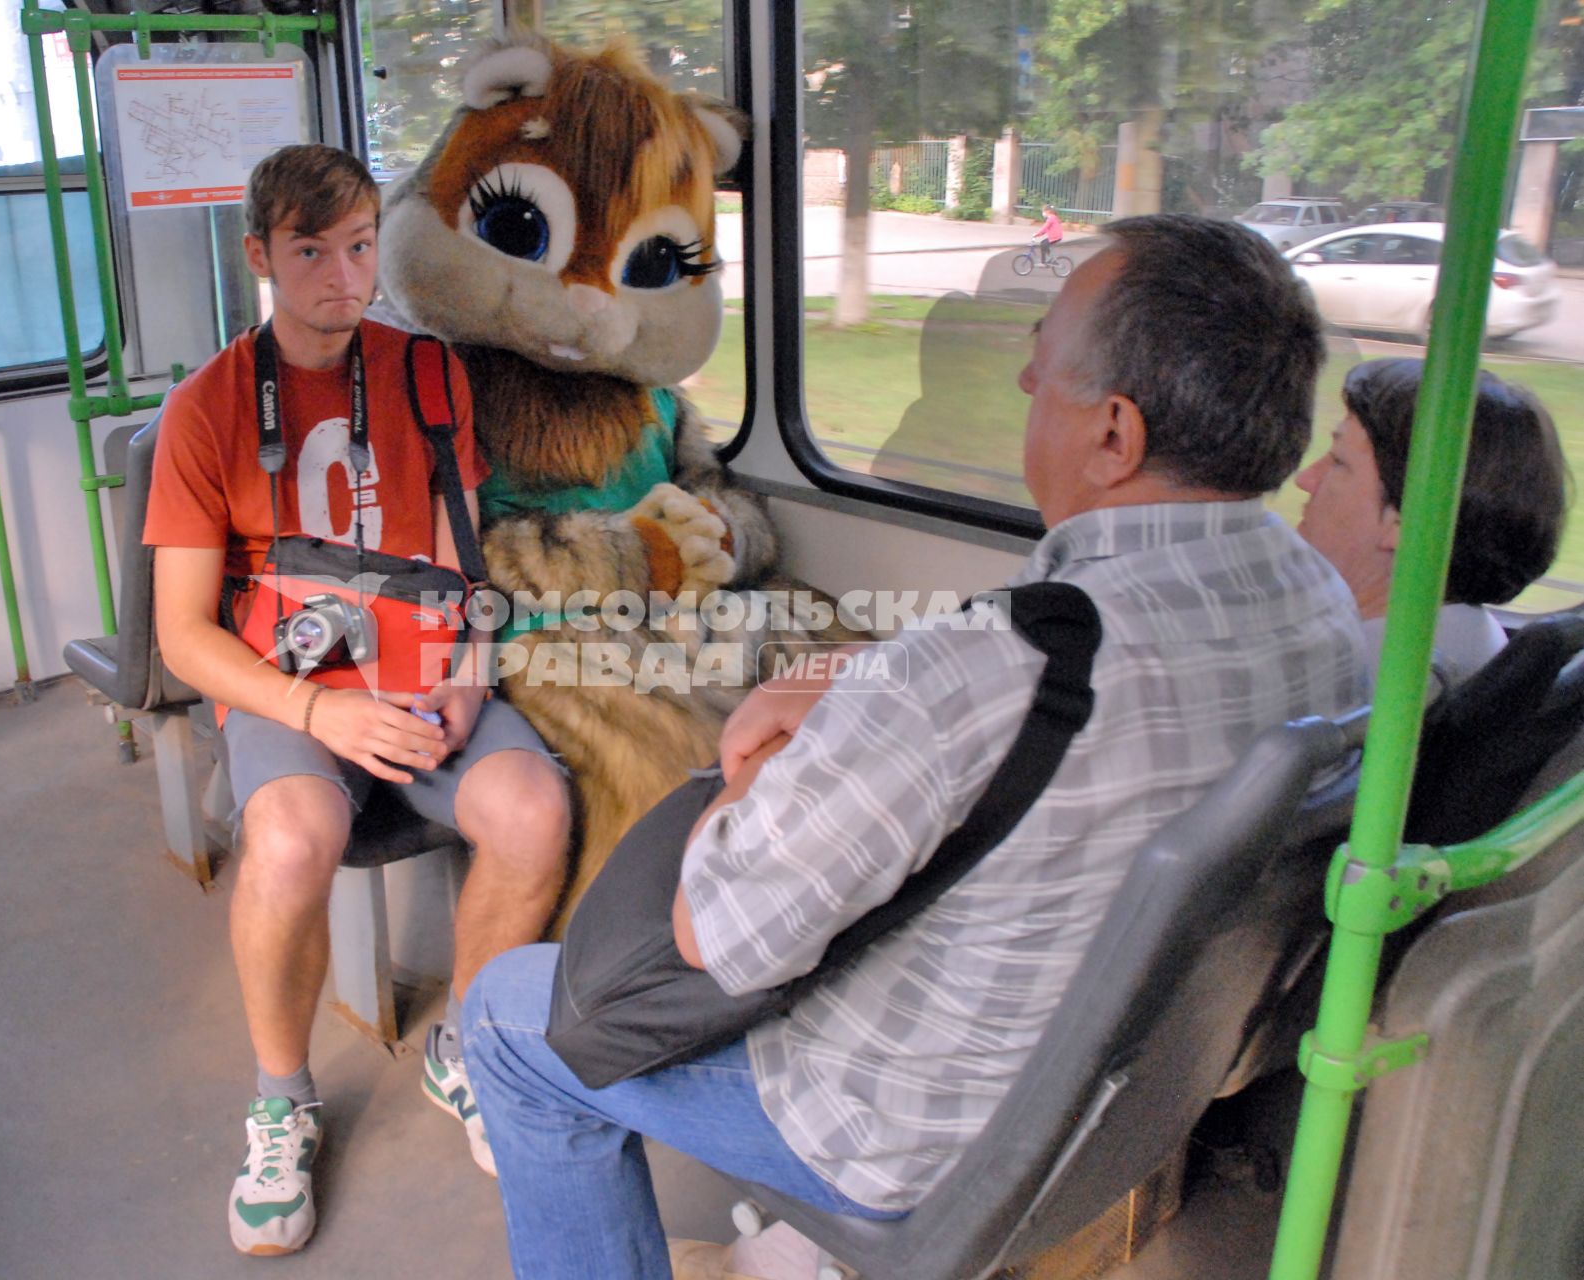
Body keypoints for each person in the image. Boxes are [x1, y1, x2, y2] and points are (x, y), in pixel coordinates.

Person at [457, 214, 1369, 1280]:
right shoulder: (1324, 611)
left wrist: (751, 755)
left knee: (510, 1015)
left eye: (1043, 371)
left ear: (1114, 435)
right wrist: (873, 685)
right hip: (1119, 1098)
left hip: (895, 1132)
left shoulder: (985, 670)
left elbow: (715, 934)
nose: (1025, 385)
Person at [143, 144, 571, 1256]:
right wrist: (322, 714)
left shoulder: (429, 376)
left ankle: (467, 1049)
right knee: (292, 834)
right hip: (293, 695)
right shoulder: (206, 410)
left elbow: (457, 561)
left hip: (422, 680)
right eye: (311, 251)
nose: (345, 274)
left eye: (360, 244)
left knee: (532, 810)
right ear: (261, 256)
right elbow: (182, 633)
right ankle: (281, 1098)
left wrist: (466, 672)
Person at [1294, 356, 1569, 693]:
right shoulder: (1475, 638)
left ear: (1405, 524)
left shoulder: (1335, 681)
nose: (1306, 480)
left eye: (1338, 462)